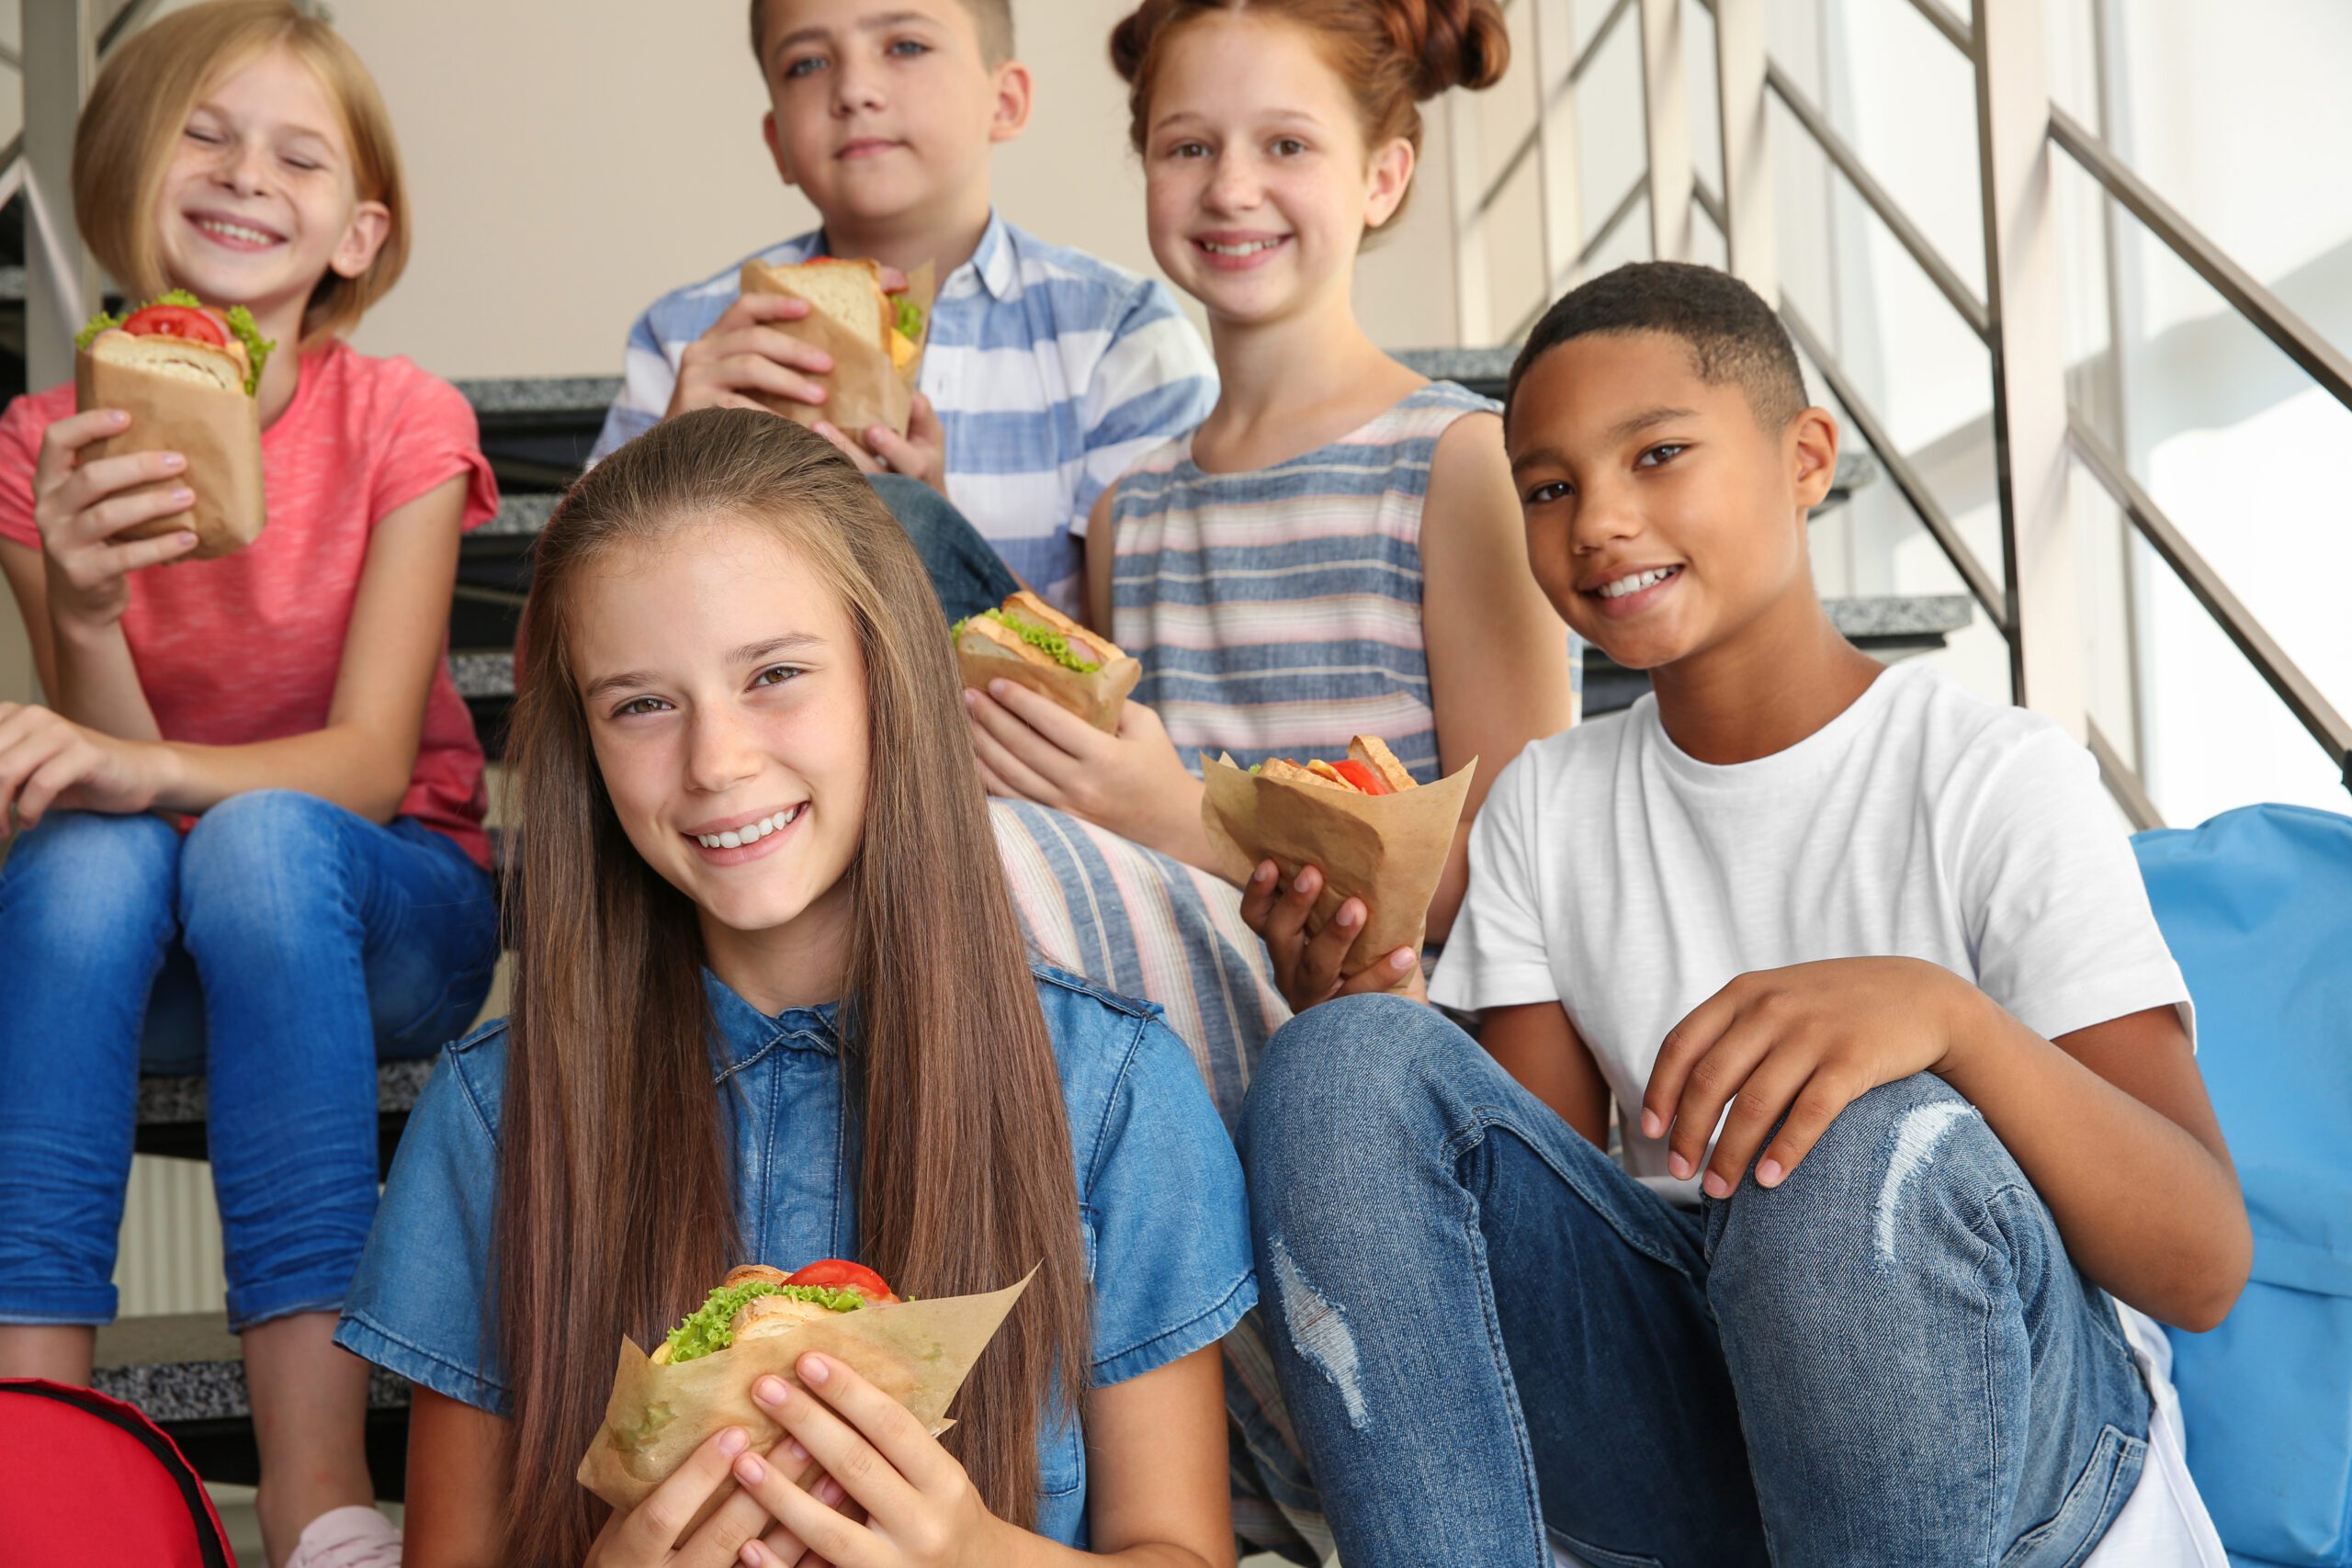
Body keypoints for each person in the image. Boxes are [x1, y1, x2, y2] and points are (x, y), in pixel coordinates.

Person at [1241, 261, 2247, 1565]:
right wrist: (1377, 1029)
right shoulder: (1552, 799)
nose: (1599, 518)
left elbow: (2204, 1260)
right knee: (1342, 1064)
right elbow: (1529, 1216)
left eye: (1658, 454)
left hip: (2015, 1451)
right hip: (1703, 1442)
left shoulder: (1995, 774)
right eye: (1549, 487)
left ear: (1807, 458)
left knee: (1845, 1139)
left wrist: (1945, 1019)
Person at [334, 409, 1253, 1567]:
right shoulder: (493, 1118)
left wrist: (975, 1553)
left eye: (774, 674)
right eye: (641, 705)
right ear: (585, 746)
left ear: (890, 680)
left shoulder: (1115, 1094)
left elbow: (1180, 1549)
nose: (716, 761)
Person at [0, 6, 500, 1563]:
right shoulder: (40, 440)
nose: (242, 174)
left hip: (384, 903)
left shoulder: (401, 418)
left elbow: (360, 766)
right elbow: (105, 797)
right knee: (82, 864)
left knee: (265, 844)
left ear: (360, 230)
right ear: (123, 167)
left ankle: (315, 1490)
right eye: (204, 131)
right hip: (150, 936)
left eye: (297, 152)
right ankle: (41, 1470)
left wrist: (134, 766)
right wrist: (81, 612)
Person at [963, 0, 1575, 1010]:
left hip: (1386, 1049)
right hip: (1176, 1024)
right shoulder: (1131, 513)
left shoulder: (1457, 468)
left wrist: (1191, 820)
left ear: (1382, 178)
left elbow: (1519, 878)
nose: (1231, 188)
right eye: (1187, 147)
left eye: (1285, 143)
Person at [592, 0, 1217, 619]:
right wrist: (660, 467)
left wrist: (931, 532)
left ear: (1005, 102)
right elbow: (548, 662)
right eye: (807, 63)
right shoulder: (684, 340)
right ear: (777, 140)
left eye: (906, 46)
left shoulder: (1119, 335)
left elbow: (1141, 679)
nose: (854, 90)